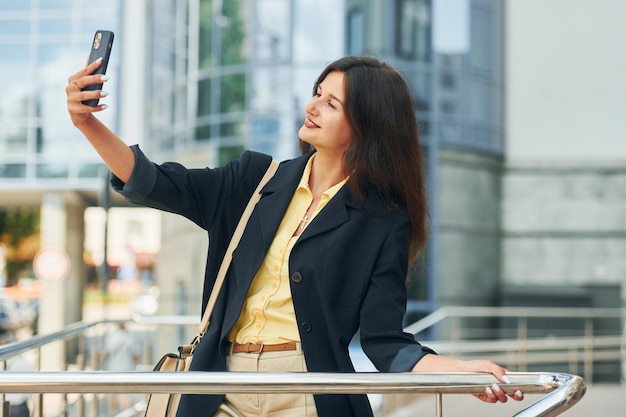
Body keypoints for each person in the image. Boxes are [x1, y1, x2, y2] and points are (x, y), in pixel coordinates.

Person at [67, 55, 524, 417]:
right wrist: (88, 123)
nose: (312, 106)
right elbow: (157, 181)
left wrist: (456, 369)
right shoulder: (253, 180)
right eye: (316, 93)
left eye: (332, 103)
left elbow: (384, 339)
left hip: (309, 392)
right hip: (222, 385)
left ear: (367, 126)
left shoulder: (381, 219)